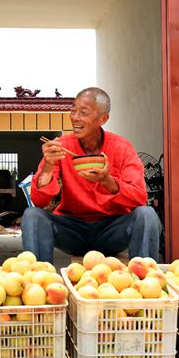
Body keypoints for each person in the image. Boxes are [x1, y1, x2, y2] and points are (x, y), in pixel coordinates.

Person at [21, 87, 161, 263]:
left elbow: (139, 197)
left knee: (147, 215)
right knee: (32, 216)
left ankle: (146, 280)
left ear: (103, 119)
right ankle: (38, 279)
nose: (75, 118)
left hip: (112, 230)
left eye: (83, 112)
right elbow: (39, 201)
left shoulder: (121, 147)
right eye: (73, 111)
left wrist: (108, 181)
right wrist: (48, 166)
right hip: (73, 229)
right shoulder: (61, 146)